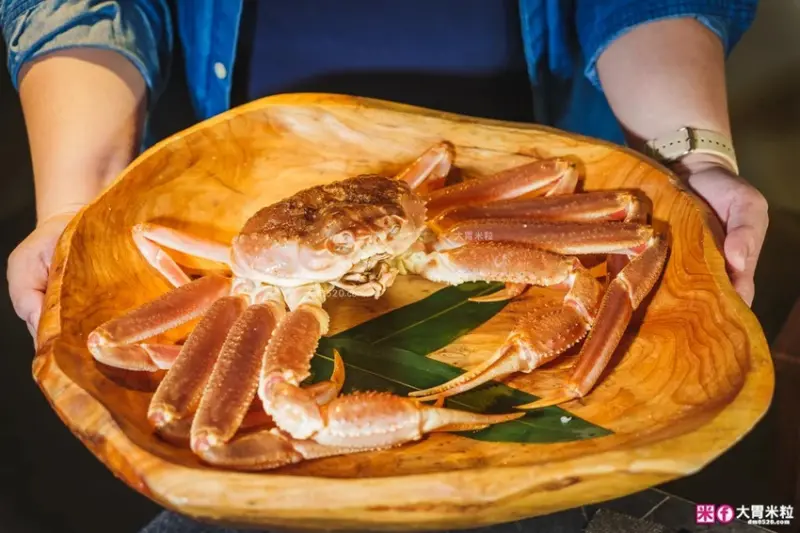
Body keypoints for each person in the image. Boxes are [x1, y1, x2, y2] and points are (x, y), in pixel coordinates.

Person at [1, 0, 767, 531]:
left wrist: (689, 155)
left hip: (469, 171)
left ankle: (570, 384)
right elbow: (121, 345)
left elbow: (593, 201)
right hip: (244, 193)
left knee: (616, 240)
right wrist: (71, 205)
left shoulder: (427, 205)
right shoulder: (251, 291)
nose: (362, 265)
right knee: (200, 430)